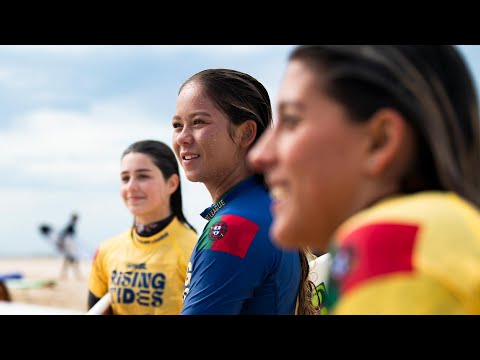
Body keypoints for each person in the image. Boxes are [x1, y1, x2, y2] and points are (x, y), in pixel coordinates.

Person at [248, 45, 480, 314]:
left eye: (292, 121)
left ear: (379, 142)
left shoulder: (393, 238)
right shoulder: (443, 231)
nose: (259, 156)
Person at [172, 68, 316, 315]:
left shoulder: (234, 227)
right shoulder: (264, 207)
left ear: (246, 133)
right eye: (177, 125)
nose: (183, 137)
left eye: (198, 122)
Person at [87, 140, 197, 315]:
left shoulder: (196, 250)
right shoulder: (107, 250)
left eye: (143, 176)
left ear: (172, 184)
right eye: (125, 178)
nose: (131, 186)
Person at [57, 213, 82, 280]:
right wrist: (62, 244)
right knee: (73, 260)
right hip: (69, 246)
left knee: (68, 261)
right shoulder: (70, 226)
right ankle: (76, 275)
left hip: (69, 246)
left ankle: (64, 275)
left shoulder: (71, 225)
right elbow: (63, 235)